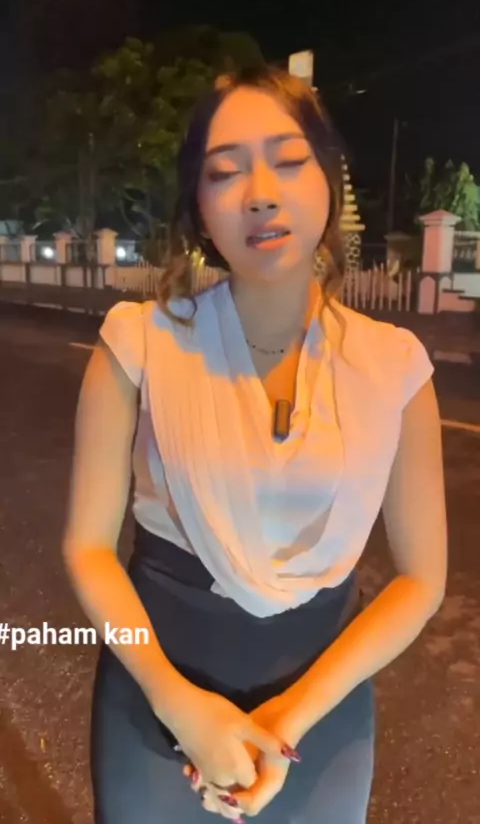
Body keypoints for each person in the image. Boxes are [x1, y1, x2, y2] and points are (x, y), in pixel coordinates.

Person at [62, 67, 447, 824]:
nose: (261, 193)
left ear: (329, 179)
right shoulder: (138, 344)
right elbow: (88, 548)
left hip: (321, 705)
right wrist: (180, 706)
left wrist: (288, 722)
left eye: (289, 160)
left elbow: (422, 580)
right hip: (157, 693)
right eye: (225, 171)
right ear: (200, 209)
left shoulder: (394, 367)